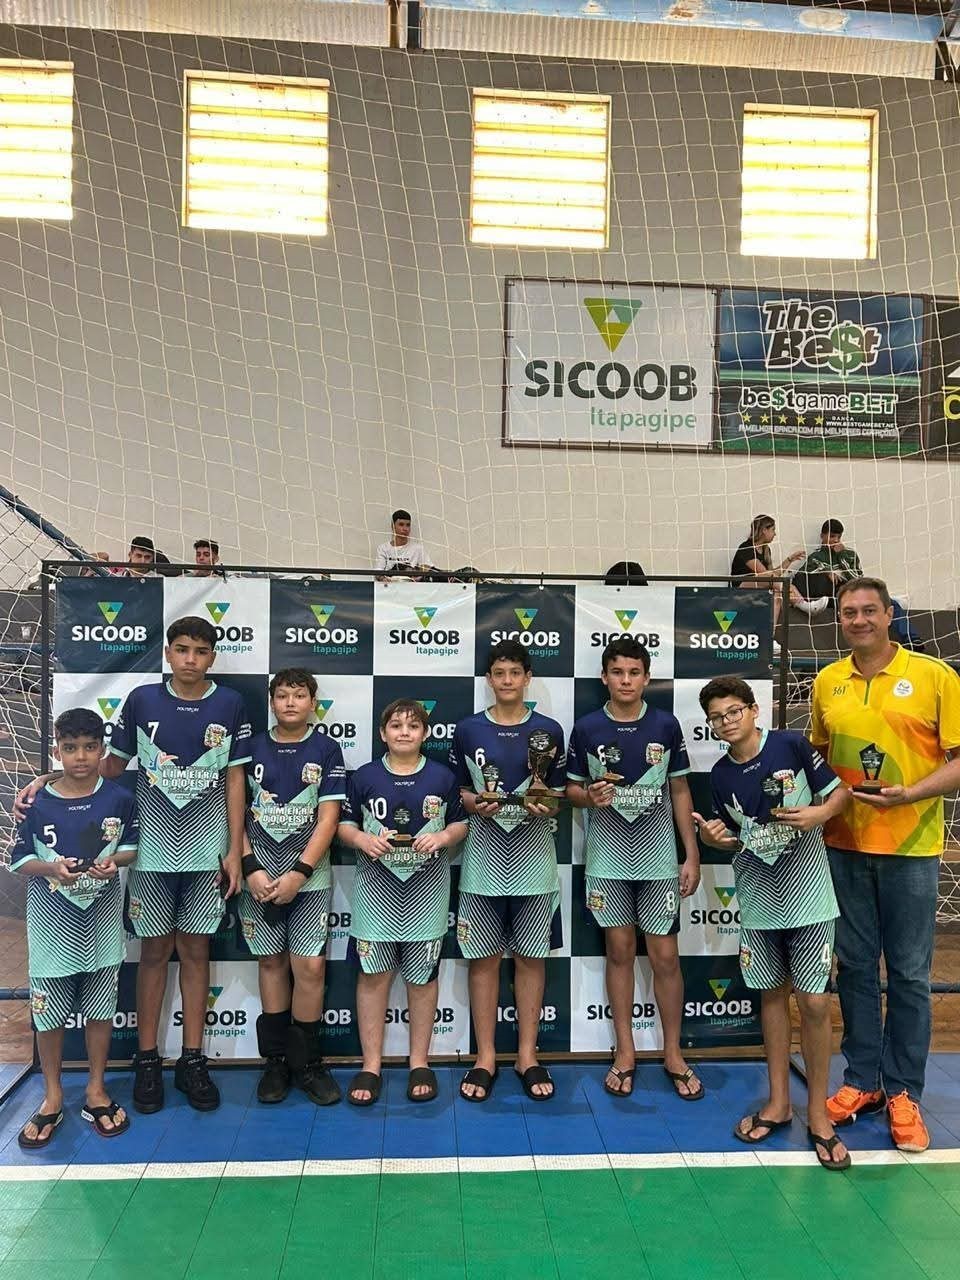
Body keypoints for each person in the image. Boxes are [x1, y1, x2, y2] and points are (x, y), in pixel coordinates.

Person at [17, 617, 253, 1113]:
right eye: (182, 649)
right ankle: (148, 1059)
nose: (190, 659)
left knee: (196, 951)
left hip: (206, 852)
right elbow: (107, 766)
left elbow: (235, 780)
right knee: (153, 953)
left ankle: (192, 1059)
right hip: (150, 852)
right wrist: (47, 778)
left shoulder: (230, 703)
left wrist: (234, 849)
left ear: (212, 657)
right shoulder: (143, 700)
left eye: (201, 651)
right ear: (167, 653)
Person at [811, 576, 960, 1153]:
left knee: (909, 975)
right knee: (853, 968)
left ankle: (903, 1092)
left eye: (869, 610)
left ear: (890, 613)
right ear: (840, 620)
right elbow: (819, 759)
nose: (859, 620)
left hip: (911, 850)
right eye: (849, 612)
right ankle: (861, 1081)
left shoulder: (934, 675)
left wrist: (911, 794)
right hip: (844, 846)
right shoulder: (828, 681)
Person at [694, 677, 852, 1170]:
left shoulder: (791, 745)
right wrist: (715, 841)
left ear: (753, 709)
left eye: (733, 712)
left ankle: (818, 1114)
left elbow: (840, 794)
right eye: (716, 718)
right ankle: (779, 1103)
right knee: (771, 997)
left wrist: (819, 814)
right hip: (759, 900)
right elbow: (733, 837)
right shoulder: (720, 774)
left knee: (814, 1001)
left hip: (809, 897)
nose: (726, 722)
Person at [566, 637, 703, 1101]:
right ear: (604, 677)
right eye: (618, 672)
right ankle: (625, 1052)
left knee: (665, 958)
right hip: (607, 863)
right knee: (620, 953)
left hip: (658, 861)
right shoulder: (586, 727)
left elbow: (680, 791)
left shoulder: (665, 725)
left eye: (634, 672)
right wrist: (590, 796)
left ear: (647, 677)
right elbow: (571, 792)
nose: (626, 680)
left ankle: (673, 1053)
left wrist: (691, 854)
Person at [11, 708, 139, 1149]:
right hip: (51, 930)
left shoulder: (119, 797)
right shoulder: (35, 802)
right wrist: (51, 868)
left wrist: (113, 862)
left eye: (89, 747)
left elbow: (130, 848)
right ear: (56, 751)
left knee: (100, 1011)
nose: (80, 757)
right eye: (70, 748)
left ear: (102, 750)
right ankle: (51, 1095)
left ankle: (96, 1089)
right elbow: (19, 860)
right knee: (48, 1015)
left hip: (101, 925)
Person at [449, 640, 566, 1102]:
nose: (507, 680)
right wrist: (476, 803)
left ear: (528, 677)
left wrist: (545, 803)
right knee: (483, 960)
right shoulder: (468, 730)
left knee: (531, 959)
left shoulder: (549, 730)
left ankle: (527, 1055)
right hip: (484, 864)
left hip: (535, 863)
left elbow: (558, 794)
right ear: (489, 679)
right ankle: (484, 1057)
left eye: (515, 672)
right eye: (499, 673)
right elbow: (459, 792)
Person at [338, 700, 467, 1106]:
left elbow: (461, 823)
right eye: (396, 726)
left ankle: (419, 1063)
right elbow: (344, 825)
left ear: (425, 734)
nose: (404, 732)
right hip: (375, 896)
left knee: (422, 979)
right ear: (383, 733)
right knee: (373, 977)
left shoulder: (443, 776)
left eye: (413, 726)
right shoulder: (365, 776)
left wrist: (443, 837)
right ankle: (371, 1065)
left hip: (427, 896)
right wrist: (362, 839)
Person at [241, 668, 346, 1107]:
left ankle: (307, 1064)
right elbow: (235, 812)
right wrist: (250, 867)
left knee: (311, 968)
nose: (290, 703)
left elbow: (329, 819)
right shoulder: (250, 747)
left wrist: (300, 873)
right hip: (260, 878)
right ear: (271, 702)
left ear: (312, 704)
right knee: (271, 963)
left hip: (309, 878)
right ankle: (276, 1062)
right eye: (282, 695)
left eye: (299, 696)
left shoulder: (326, 748)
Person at [730, 516, 829, 631]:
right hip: (740, 588)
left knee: (777, 595)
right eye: (773, 530)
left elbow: (774, 575)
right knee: (774, 580)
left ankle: (770, 635)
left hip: (759, 587)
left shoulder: (766, 550)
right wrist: (788, 588)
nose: (775, 534)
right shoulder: (746, 548)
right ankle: (804, 605)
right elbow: (766, 575)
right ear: (764, 530)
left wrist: (790, 559)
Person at [793, 520, 864, 603]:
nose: (836, 540)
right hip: (822, 594)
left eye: (839, 537)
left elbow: (858, 581)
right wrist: (826, 572)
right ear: (822, 536)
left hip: (843, 593)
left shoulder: (850, 554)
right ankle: (810, 605)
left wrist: (842, 555)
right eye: (832, 536)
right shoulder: (816, 556)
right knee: (801, 577)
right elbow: (801, 577)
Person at [375, 509, 428, 576]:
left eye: (408, 525)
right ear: (393, 526)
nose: (405, 529)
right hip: (390, 582)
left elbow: (428, 567)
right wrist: (383, 578)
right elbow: (378, 571)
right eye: (401, 524)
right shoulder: (383, 548)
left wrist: (418, 576)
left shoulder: (418, 548)